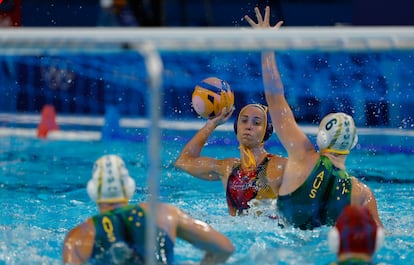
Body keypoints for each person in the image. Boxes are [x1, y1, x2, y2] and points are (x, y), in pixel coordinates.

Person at [244, 6, 383, 229]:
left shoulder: (302, 155)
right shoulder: (361, 193)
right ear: (352, 144)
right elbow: (379, 237)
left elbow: (275, 99)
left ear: (321, 137)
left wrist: (266, 46)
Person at [62, 155, 234, 265]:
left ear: (92, 191)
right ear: (129, 187)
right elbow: (225, 248)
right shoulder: (164, 213)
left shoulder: (78, 237)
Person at [175, 103, 287, 216]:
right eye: (244, 121)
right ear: (236, 127)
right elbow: (183, 161)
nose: (248, 126)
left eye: (256, 123)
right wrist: (212, 124)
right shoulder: (227, 169)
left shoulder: (278, 166)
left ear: (266, 131)